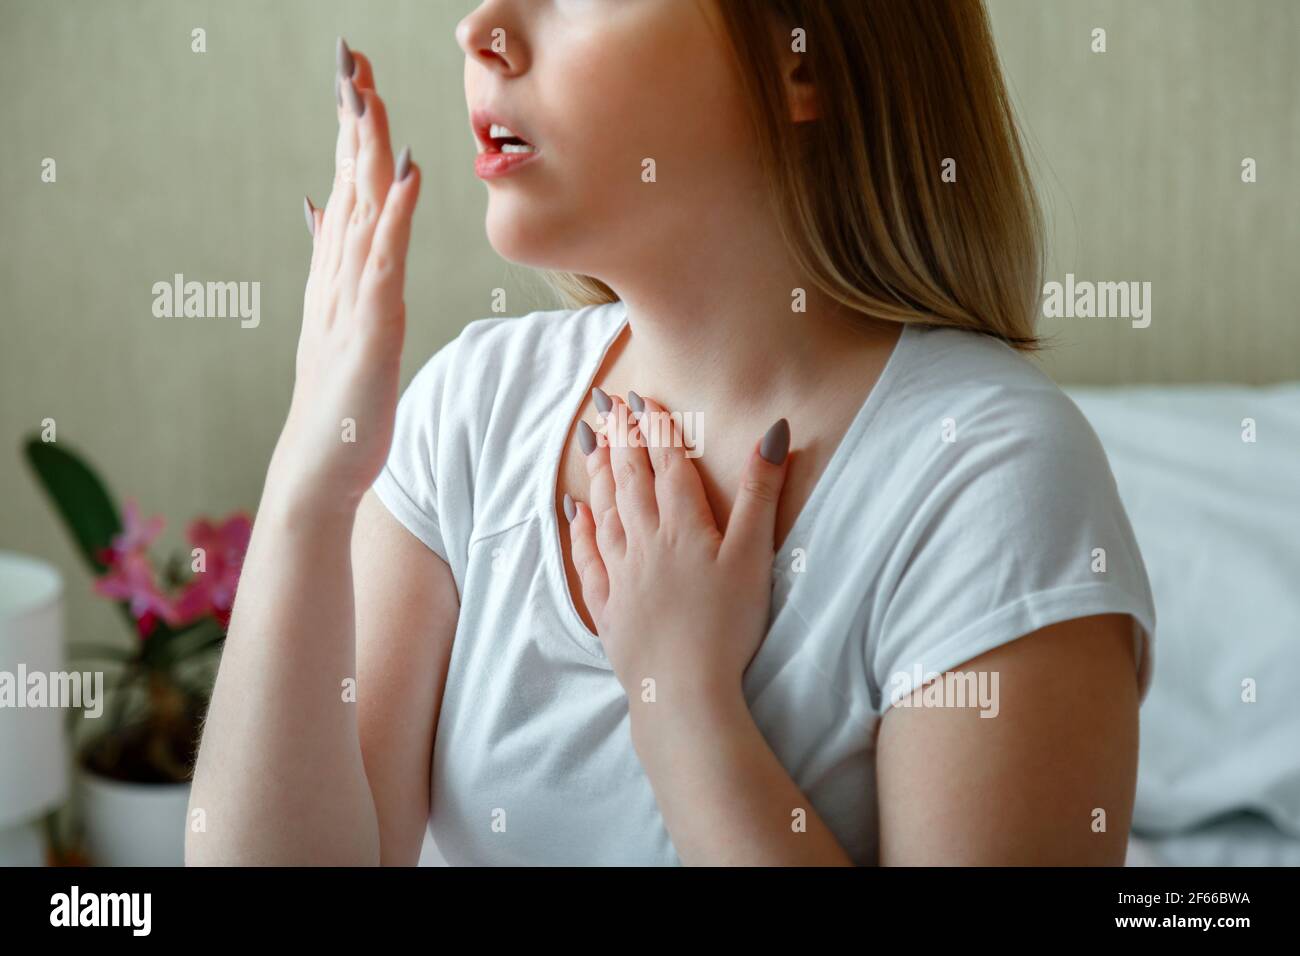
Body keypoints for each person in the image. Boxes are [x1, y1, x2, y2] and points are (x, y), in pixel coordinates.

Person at [188, 0, 1155, 866]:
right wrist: (307, 484)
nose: (481, 30)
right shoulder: (471, 407)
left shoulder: (991, 479)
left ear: (802, 61)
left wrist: (684, 706)